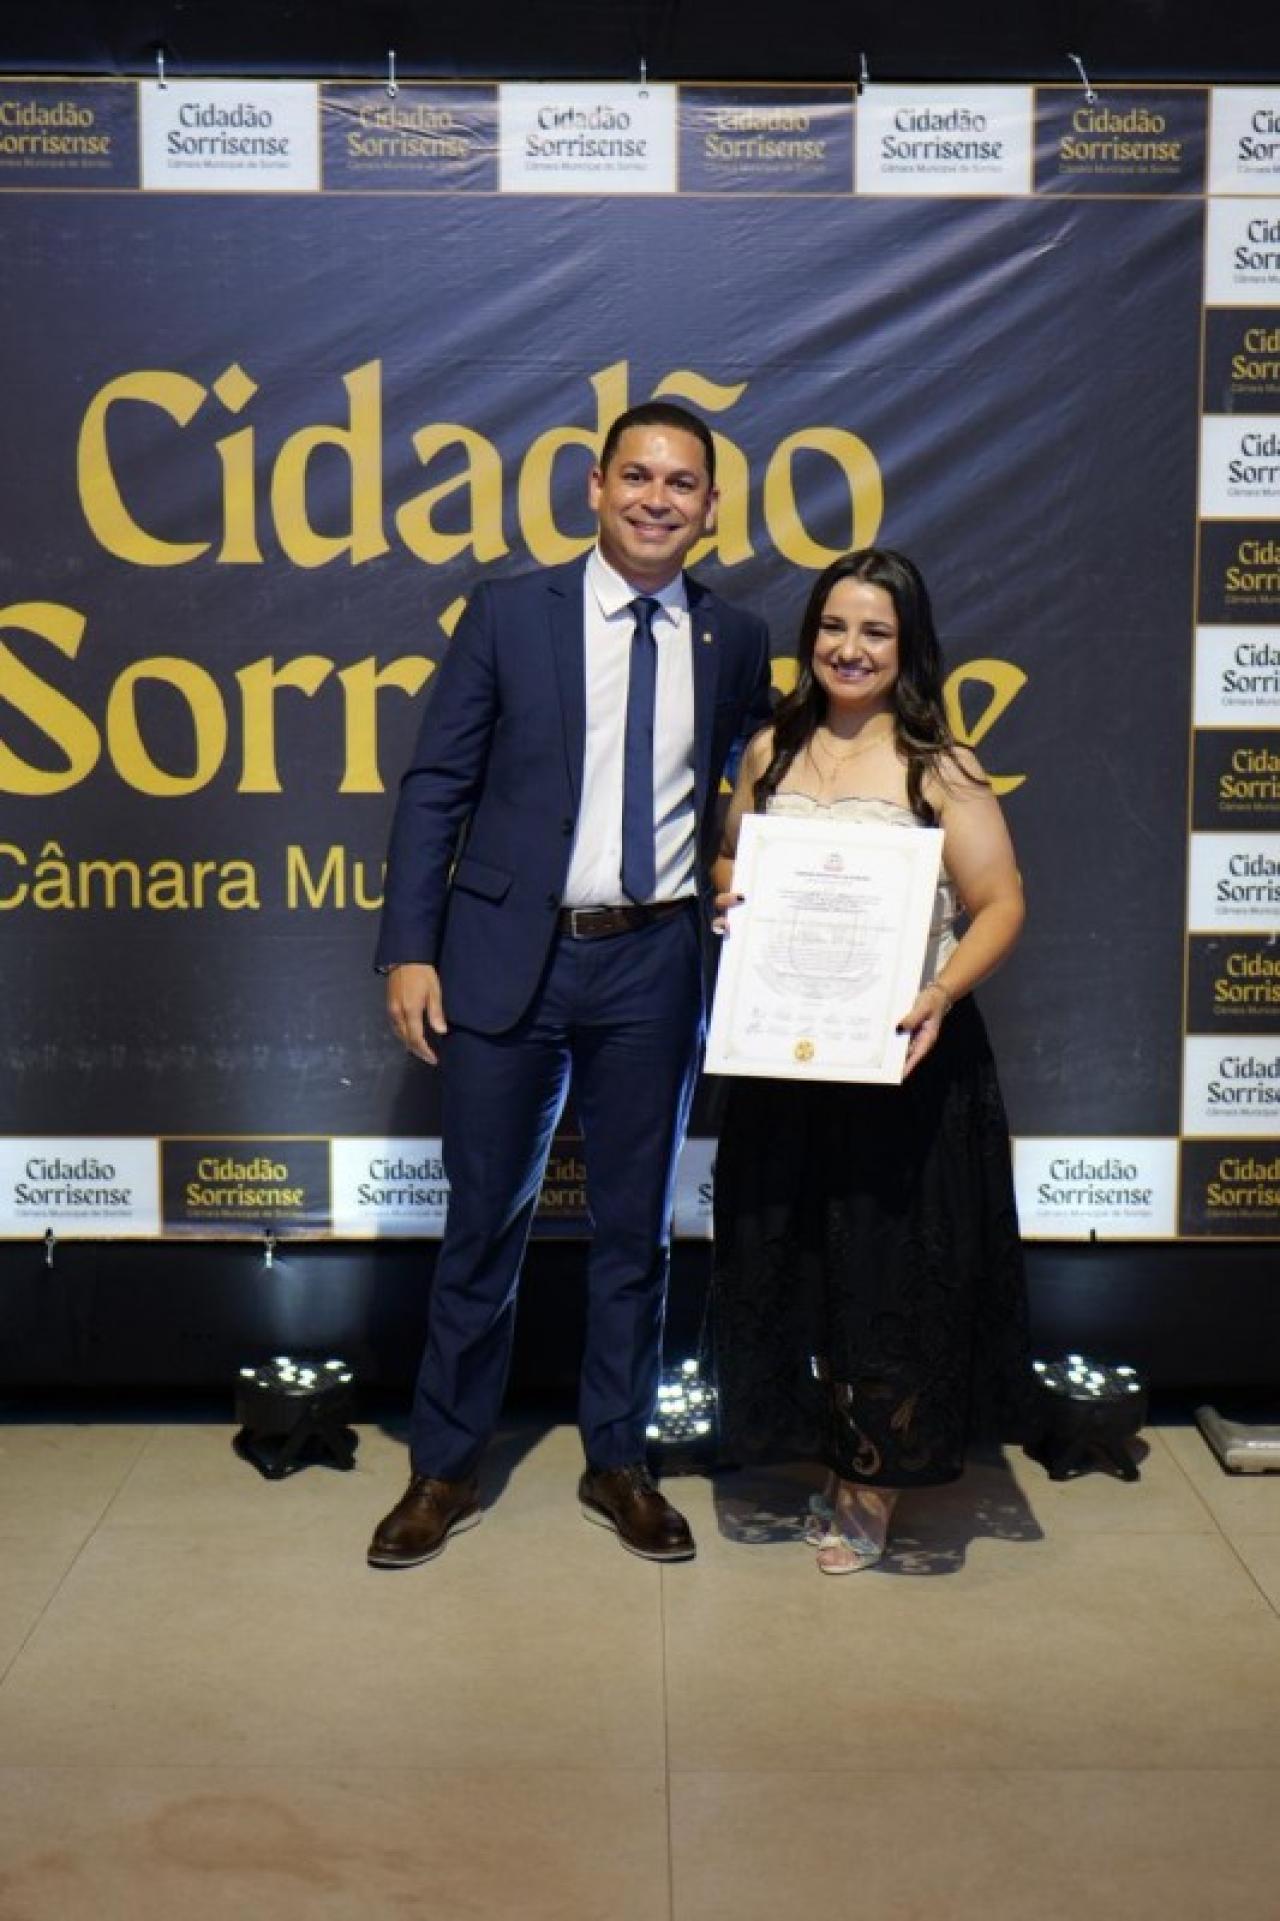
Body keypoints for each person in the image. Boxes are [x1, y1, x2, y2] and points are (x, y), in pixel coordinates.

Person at [369, 402, 772, 1569]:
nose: (656, 499)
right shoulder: (509, 613)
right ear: (595, 487)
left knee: (635, 1230)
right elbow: (435, 785)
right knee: (481, 1222)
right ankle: (444, 1467)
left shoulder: (732, 635)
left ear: (709, 507)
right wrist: (410, 946)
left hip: (655, 961)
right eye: (636, 476)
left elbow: (744, 783)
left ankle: (619, 1459)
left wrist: (740, 863)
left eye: (681, 483)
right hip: (509, 960)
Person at [709, 548, 1030, 1574]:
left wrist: (939, 992)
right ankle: (826, 1452)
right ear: (810, 636)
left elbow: (1000, 902)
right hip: (785, 1058)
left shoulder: (941, 763)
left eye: (875, 632)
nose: (849, 649)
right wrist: (729, 889)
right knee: (798, 1260)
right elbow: (731, 855)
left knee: (888, 1274)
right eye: (834, 627)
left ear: (907, 647)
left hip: (902, 1057)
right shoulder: (771, 748)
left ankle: (871, 1484)